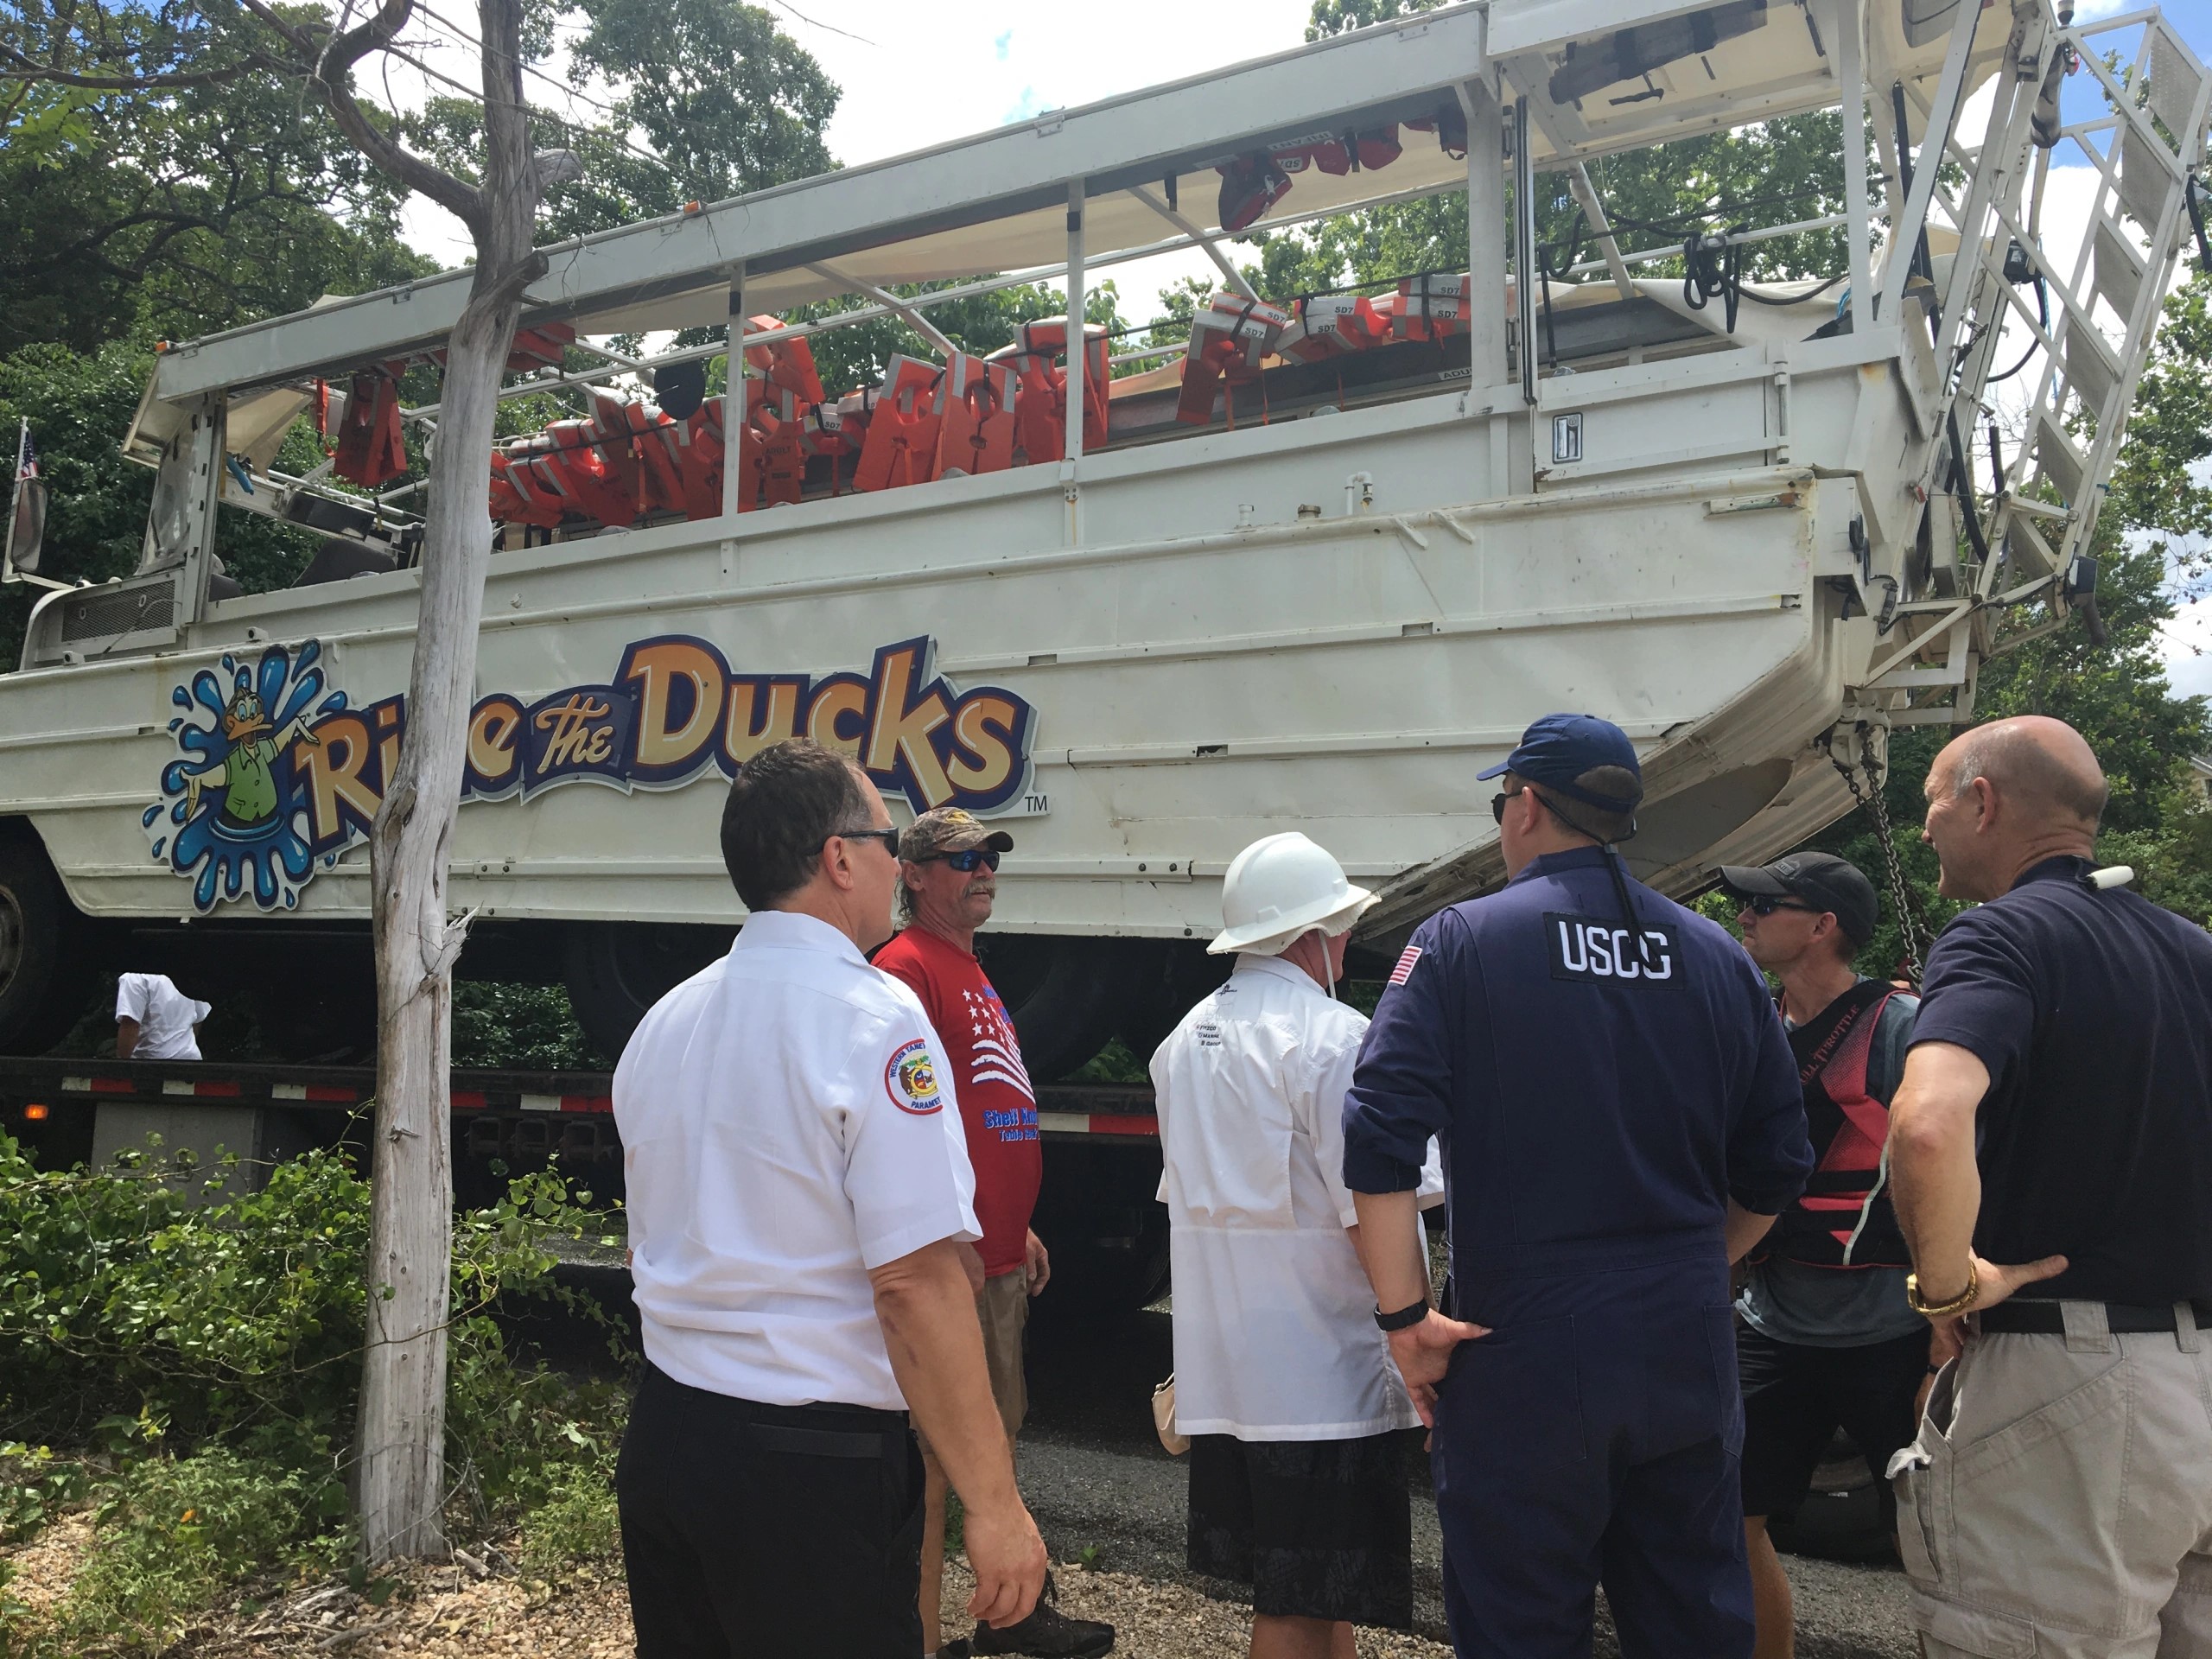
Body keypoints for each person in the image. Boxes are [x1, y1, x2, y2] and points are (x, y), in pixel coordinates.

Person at [1341, 713, 1813, 1659]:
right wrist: (1690, 1263)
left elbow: (1376, 1134)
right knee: (1691, 1620)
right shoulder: (1717, 955)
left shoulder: (1462, 940)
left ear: (1523, 806)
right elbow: (1779, 1160)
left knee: (1521, 1621)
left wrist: (1407, 1322)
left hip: (1530, 1344)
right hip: (1684, 1343)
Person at [613, 738, 1047, 1659]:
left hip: (665, 1434)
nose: (898, 862)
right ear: (837, 858)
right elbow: (915, 1284)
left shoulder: (665, 1020)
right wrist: (996, 1503)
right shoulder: (875, 1017)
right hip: (807, 1464)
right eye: (887, 839)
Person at [1888, 715, 2212, 1658]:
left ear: (1981, 802)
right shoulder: (2193, 952)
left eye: (1932, 803)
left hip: (2071, 1391)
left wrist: (1944, 1286)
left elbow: (1926, 1122)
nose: (1924, 830)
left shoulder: (1998, 939)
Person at [1152, 831, 1445, 1659]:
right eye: (1342, 925)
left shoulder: (1182, 1044)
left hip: (1226, 1375)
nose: (1347, 941)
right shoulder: (1335, 1039)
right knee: (1297, 1608)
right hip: (1324, 1380)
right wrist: (1416, 1331)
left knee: (1309, 1603)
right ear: (1314, 935)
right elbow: (1374, 1211)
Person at [874, 806, 1114, 1659]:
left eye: (989, 857)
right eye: (961, 859)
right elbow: (907, 1120)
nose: (983, 870)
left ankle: (1007, 1616)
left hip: (999, 1253)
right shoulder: (905, 969)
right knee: (941, 1471)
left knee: (990, 1451)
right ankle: (924, 1642)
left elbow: (982, 1114)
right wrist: (953, 1233)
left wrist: (1016, 1222)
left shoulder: (967, 967)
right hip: (956, 1267)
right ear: (912, 875)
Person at [1718, 852, 1929, 1659]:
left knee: (1936, 1537)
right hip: (1772, 1323)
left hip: (1894, 1327)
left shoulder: (1904, 1028)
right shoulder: (1752, 1025)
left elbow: (1958, 1159)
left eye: (1765, 905)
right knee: (1727, 1521)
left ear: (1823, 925)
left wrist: (1952, 1308)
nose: (1744, 916)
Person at [115, 971, 209, 1060]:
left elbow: (130, 1024)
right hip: (190, 1061)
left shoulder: (133, 977)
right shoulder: (189, 976)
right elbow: (198, 1018)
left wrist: (121, 1066)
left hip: (152, 1063)